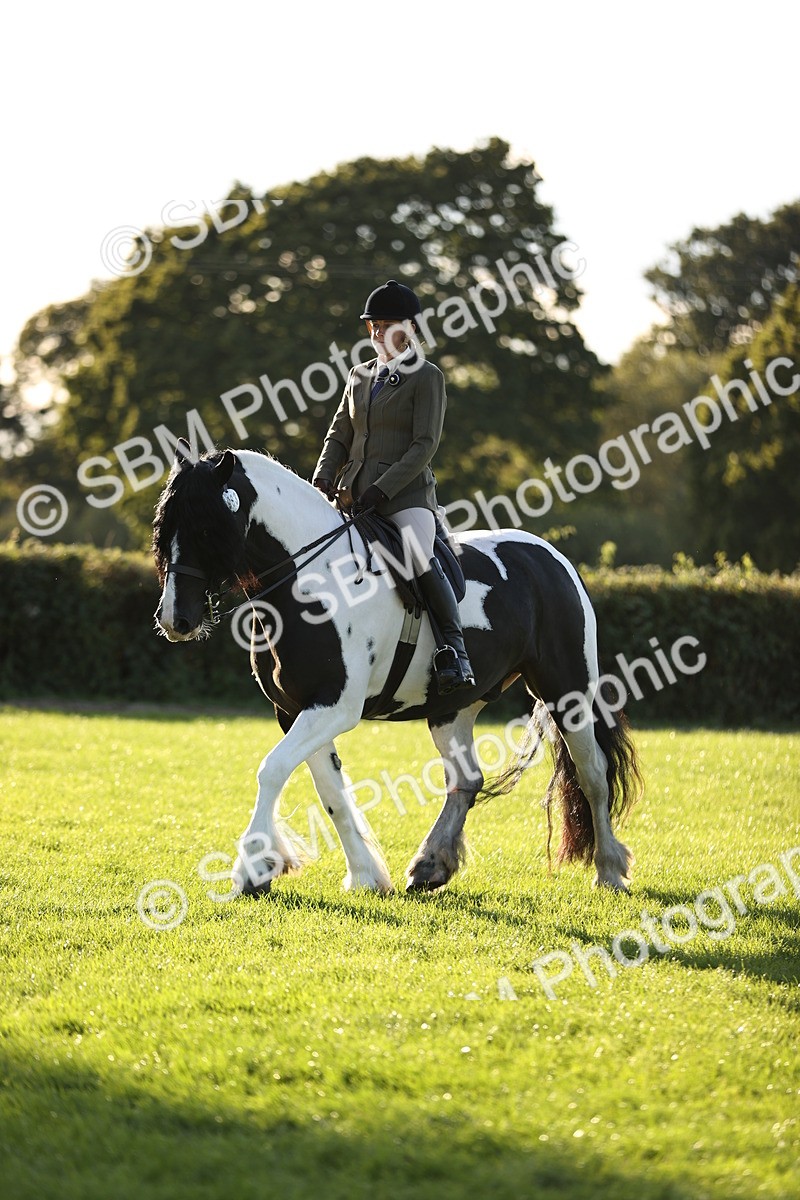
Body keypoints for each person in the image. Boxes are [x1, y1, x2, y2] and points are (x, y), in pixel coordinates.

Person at [312, 279, 475, 695]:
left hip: (406, 499)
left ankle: (454, 652)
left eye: (387, 324)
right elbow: (339, 434)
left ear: (412, 329)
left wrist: (382, 490)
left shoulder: (426, 377)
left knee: (418, 557)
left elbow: (425, 446)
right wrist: (324, 474)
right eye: (374, 325)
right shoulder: (359, 375)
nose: (378, 333)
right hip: (354, 497)